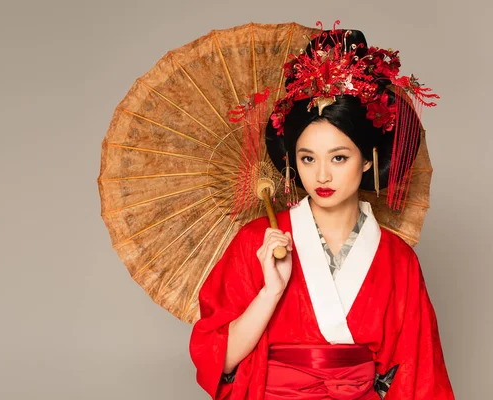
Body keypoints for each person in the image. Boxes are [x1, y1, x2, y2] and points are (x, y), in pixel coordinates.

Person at [189, 26, 455, 399]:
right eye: (308, 158)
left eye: (340, 157)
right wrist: (271, 291)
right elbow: (221, 361)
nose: (322, 175)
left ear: (368, 160)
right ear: (291, 160)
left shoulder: (398, 260)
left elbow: (419, 375)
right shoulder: (258, 242)